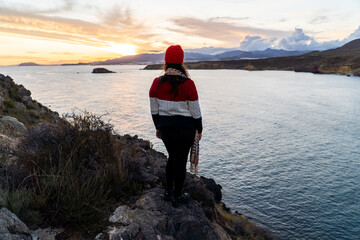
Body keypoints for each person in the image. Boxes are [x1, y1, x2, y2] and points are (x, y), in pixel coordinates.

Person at [149, 45, 203, 206]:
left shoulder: (156, 83)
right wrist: (199, 129)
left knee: (172, 157)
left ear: (166, 62)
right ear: (181, 62)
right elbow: (195, 111)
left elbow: (154, 111)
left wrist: (158, 127)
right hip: (185, 129)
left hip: (166, 128)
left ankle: (168, 192)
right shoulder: (188, 84)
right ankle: (177, 196)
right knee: (180, 161)